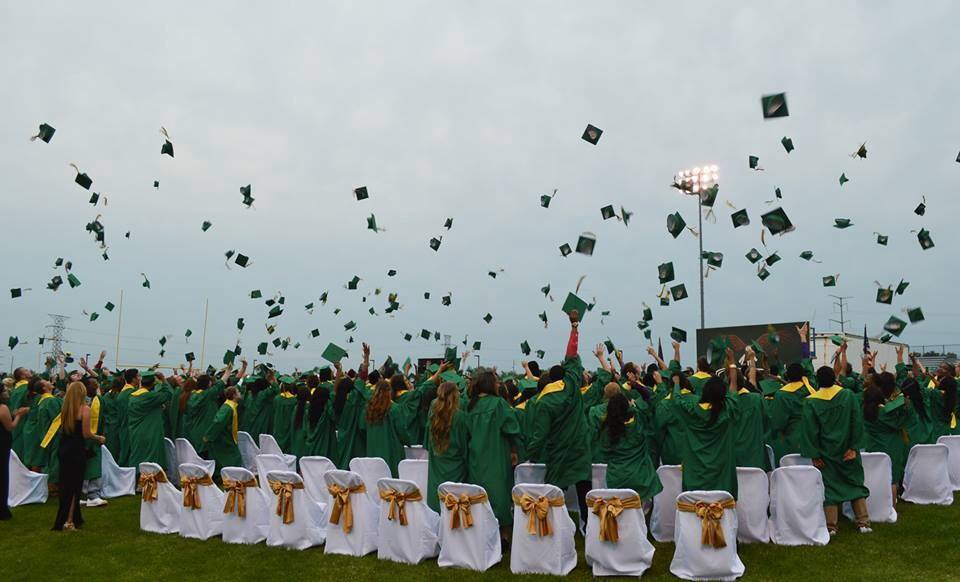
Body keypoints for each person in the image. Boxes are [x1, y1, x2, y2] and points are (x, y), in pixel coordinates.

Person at [525, 309, 592, 524]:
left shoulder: (543, 402)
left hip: (560, 452)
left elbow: (540, 435)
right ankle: (589, 527)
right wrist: (574, 327)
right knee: (584, 490)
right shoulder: (572, 382)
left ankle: (553, 526)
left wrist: (531, 455)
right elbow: (572, 354)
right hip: (580, 448)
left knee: (554, 493)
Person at [800, 365, 871, 535]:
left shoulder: (811, 401)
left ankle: (831, 526)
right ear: (834, 378)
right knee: (854, 483)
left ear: (817, 380)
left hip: (826, 453)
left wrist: (814, 454)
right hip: (848, 450)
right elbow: (857, 422)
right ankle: (863, 522)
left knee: (830, 487)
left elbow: (810, 430)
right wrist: (854, 447)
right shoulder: (848, 395)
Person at [671, 348, 741, 498]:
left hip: (695, 475)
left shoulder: (691, 411)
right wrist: (732, 362)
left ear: (704, 392)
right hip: (721, 477)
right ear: (723, 395)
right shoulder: (727, 410)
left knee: (693, 508)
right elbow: (733, 385)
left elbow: (676, 400)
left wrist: (676, 383)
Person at [464, 369, 520, 546]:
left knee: (480, 494)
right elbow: (511, 428)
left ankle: (481, 533)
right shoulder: (498, 404)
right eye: (496, 381)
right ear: (490, 384)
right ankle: (504, 537)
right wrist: (515, 450)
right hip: (496, 455)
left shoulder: (469, 405)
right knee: (500, 495)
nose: (498, 384)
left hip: (476, 457)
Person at [53, 382, 106, 531]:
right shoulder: (85, 409)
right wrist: (99, 438)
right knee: (75, 487)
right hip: (76, 450)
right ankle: (69, 521)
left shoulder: (65, 409)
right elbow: (86, 434)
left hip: (64, 449)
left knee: (65, 485)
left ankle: (68, 518)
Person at [598, 391, 662, 501]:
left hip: (617, 477)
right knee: (643, 509)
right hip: (641, 477)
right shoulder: (638, 421)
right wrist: (633, 406)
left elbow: (604, 452)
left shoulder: (607, 429)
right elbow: (652, 398)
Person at [862, 370, 913, 502]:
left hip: (872, 445)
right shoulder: (884, 412)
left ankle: (873, 503)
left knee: (873, 476)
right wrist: (906, 409)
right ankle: (891, 508)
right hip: (890, 446)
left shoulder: (865, 411)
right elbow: (899, 424)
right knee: (891, 478)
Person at [425, 381, 469, 512]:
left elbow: (427, 444)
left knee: (437, 503)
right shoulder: (460, 416)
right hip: (456, 468)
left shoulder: (433, 414)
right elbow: (464, 447)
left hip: (437, 465)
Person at [362, 379, 411, 477]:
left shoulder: (369, 409)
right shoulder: (395, 408)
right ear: (389, 392)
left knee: (374, 480)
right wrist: (408, 441)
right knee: (391, 484)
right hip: (391, 453)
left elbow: (362, 427)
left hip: (373, 452)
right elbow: (401, 431)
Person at [126, 371, 173, 474]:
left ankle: (135, 481)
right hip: (149, 432)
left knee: (137, 456)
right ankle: (147, 483)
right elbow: (169, 394)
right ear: (152, 384)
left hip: (136, 432)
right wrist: (163, 379)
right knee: (150, 458)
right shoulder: (150, 397)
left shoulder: (132, 396)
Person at [0, 387, 30, 520]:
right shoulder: (2, 407)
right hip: (2, 442)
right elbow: (10, 426)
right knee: (2, 474)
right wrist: (18, 416)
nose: (7, 392)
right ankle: (2, 509)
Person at [202, 386, 243, 476]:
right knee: (233, 457)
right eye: (238, 392)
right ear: (234, 395)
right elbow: (218, 421)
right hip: (225, 438)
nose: (240, 393)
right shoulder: (227, 408)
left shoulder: (232, 405)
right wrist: (208, 436)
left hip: (228, 436)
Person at [8, 367, 33, 460]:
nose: (29, 371)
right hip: (23, 423)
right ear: (22, 376)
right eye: (26, 370)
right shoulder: (25, 388)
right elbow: (16, 410)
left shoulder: (17, 387)